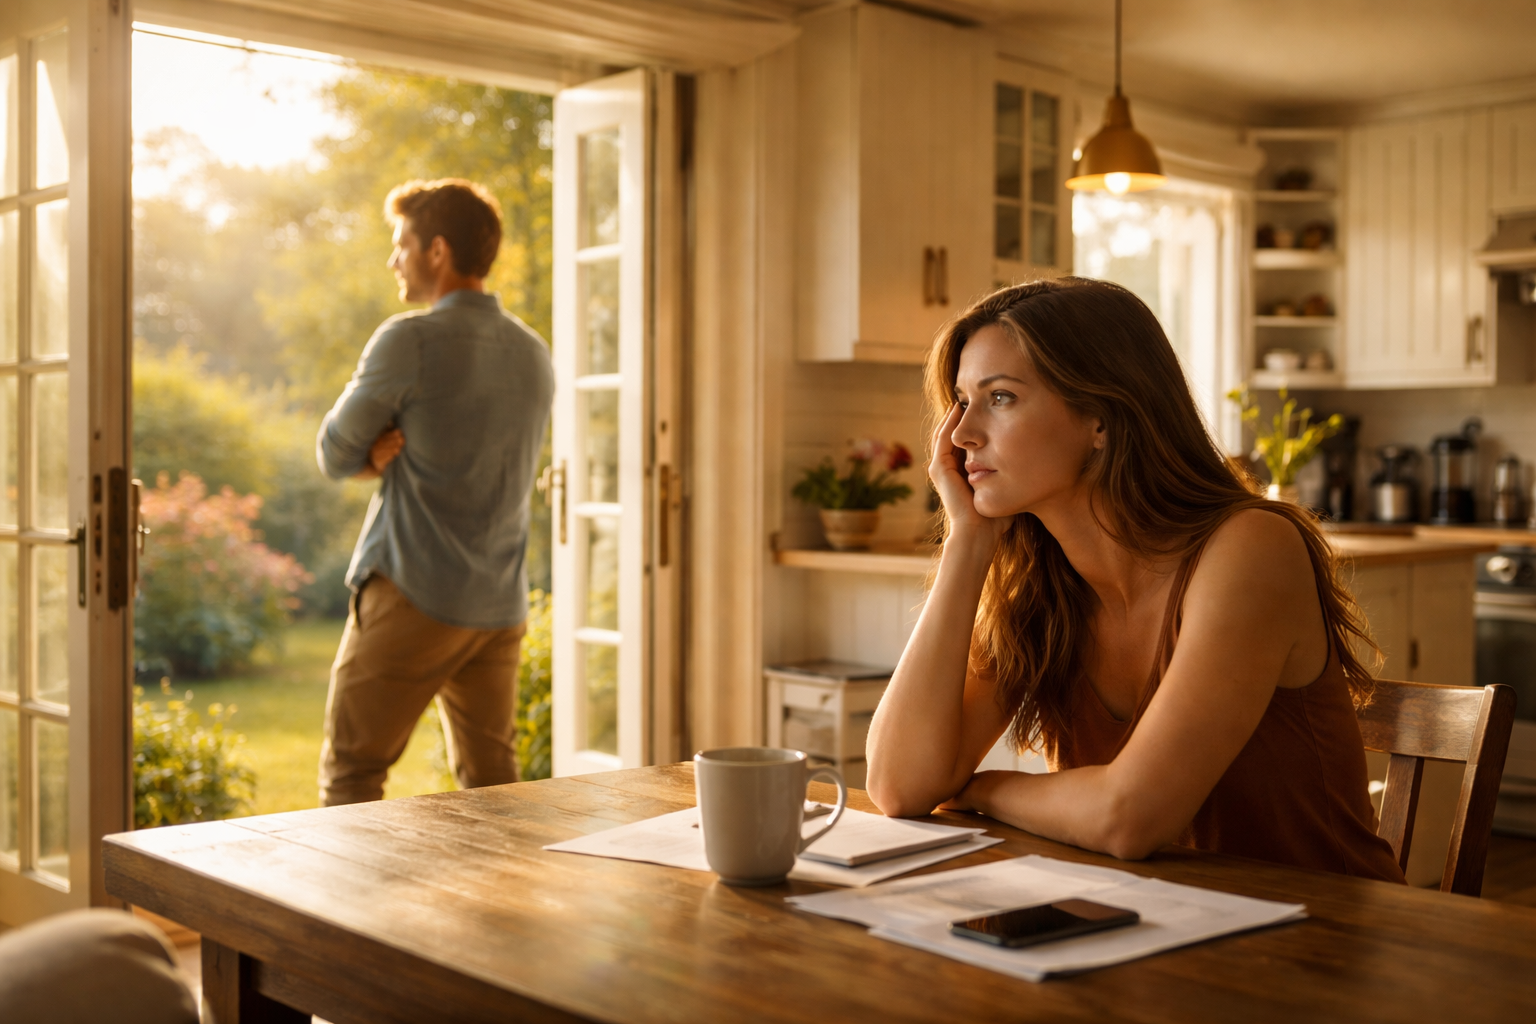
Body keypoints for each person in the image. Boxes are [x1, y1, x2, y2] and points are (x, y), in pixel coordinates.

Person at [865, 277, 1405, 883]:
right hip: (1145, 929)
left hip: (1320, 941)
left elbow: (1128, 818)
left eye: (1001, 398)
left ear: (1101, 416)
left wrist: (983, 788)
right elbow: (898, 784)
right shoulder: (1042, 587)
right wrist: (966, 541)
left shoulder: (1249, 549)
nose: (960, 435)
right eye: (962, 401)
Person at [315, 178, 554, 806]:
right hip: (498, 607)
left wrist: (370, 454)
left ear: (438, 251)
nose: (395, 259)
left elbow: (334, 452)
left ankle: (343, 909)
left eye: (403, 245)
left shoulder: (409, 340)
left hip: (412, 596)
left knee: (353, 772)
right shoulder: (535, 354)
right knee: (492, 789)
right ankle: (501, 909)